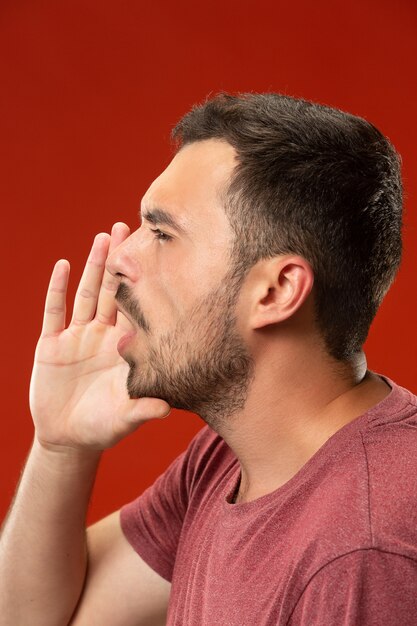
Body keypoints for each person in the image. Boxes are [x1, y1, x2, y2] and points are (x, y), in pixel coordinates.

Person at [1, 92, 416, 625]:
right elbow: (36, 618)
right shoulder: (227, 461)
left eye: (162, 234)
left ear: (276, 292)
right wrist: (61, 448)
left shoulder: (363, 553)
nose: (119, 257)